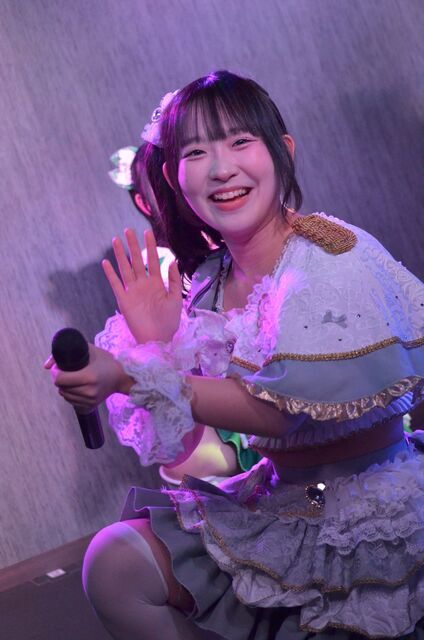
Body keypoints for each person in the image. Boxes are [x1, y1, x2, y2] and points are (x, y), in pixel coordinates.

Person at [47, 70, 424, 639]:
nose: (221, 169)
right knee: (115, 561)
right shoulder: (207, 283)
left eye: (240, 141)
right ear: (174, 177)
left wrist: (132, 374)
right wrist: (157, 347)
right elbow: (183, 448)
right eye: (196, 152)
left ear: (282, 152)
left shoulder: (329, 255)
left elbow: (279, 412)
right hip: (288, 499)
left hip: (377, 505)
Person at [108, 129, 261, 485]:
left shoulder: (247, 237)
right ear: (145, 203)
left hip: (282, 387)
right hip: (220, 409)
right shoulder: (163, 269)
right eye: (165, 186)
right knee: (190, 460)